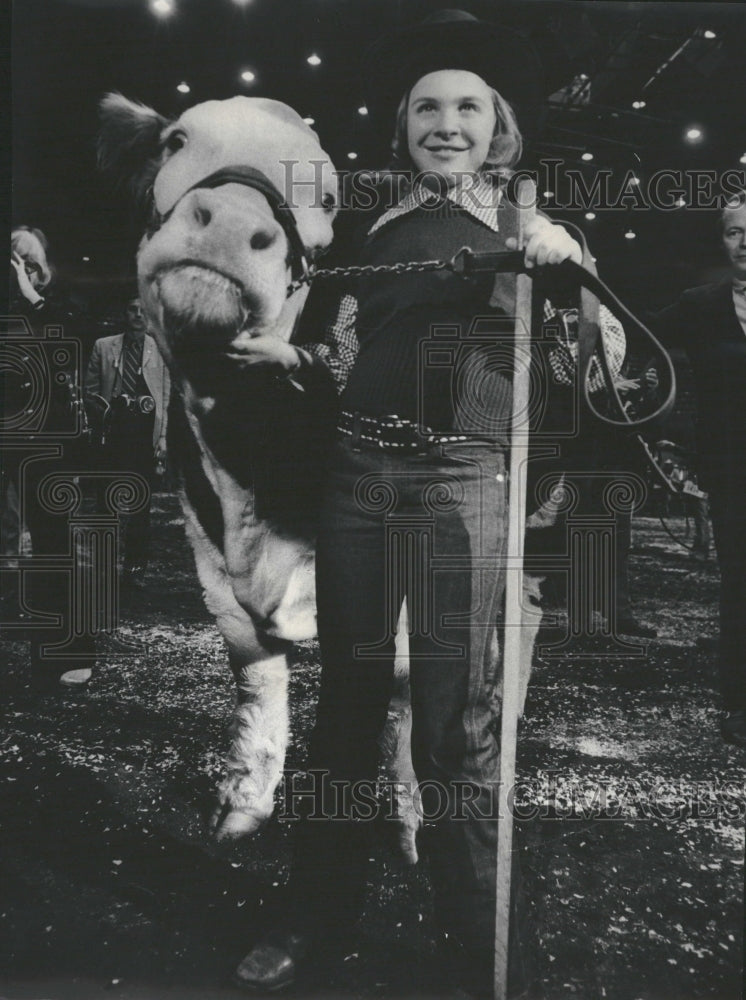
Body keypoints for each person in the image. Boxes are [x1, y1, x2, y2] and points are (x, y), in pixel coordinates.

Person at [227, 11, 611, 997]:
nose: (446, 123)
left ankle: (476, 944)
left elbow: (602, 365)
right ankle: (314, 915)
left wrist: (575, 277)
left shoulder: (526, 226)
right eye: (427, 108)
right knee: (345, 711)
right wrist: (297, 356)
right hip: (359, 477)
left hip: (458, 485)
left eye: (466, 108)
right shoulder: (380, 226)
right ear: (402, 125)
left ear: (497, 124)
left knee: (452, 727)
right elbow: (358, 350)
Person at [654, 192, 746, 748]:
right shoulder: (700, 304)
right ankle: (739, 706)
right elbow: (629, 334)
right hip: (733, 471)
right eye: (736, 232)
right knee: (741, 588)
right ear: (724, 241)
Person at [3, 226, 96, 688]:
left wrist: (32, 299)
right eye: (14, 260)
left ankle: (65, 653)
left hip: (44, 443)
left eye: (28, 261)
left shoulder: (58, 306)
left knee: (52, 546)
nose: (21, 268)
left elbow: (75, 344)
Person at [85, 295, 170, 587]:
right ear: (124, 313)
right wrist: (106, 412)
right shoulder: (103, 346)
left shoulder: (160, 348)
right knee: (105, 503)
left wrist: (163, 439)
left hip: (143, 436)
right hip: (112, 434)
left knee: (139, 506)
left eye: (143, 310)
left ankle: (135, 572)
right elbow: (91, 391)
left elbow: (168, 398)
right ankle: (103, 568)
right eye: (132, 309)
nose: (137, 315)